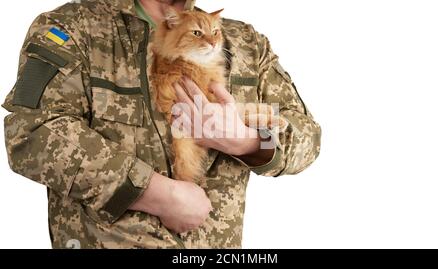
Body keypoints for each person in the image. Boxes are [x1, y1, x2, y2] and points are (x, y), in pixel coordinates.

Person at [2, 0, 321, 249]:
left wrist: (245, 141)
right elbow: (32, 131)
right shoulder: (72, 29)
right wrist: (155, 192)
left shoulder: (245, 42)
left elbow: (306, 137)